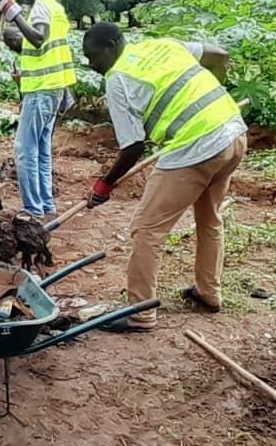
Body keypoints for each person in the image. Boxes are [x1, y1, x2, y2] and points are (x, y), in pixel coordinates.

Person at [82, 23, 246, 332]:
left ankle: (140, 312)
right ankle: (208, 292)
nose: (91, 65)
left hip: (197, 147)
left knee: (147, 230)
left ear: (113, 46)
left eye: (93, 56)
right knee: (210, 218)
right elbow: (219, 55)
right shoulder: (163, 45)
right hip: (232, 133)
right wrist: (213, 99)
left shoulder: (118, 79)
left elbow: (132, 147)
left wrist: (104, 186)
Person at [0, 0, 77, 219]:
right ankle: (45, 204)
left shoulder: (41, 6)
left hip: (41, 89)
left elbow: (38, 38)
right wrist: (15, 10)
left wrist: (14, 13)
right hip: (54, 87)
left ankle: (33, 208)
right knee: (41, 149)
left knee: (24, 149)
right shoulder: (56, 8)